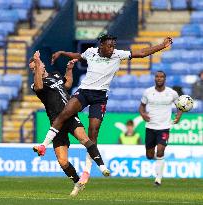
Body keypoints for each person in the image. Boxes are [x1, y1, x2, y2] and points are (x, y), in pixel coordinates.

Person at [34, 34, 173, 184]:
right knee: (64, 114)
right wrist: (62, 53)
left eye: (114, 46)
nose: (112, 49)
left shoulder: (117, 55)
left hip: (99, 97)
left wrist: (162, 46)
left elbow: (142, 53)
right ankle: (43, 145)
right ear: (102, 46)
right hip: (84, 92)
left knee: (93, 133)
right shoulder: (91, 52)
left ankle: (87, 170)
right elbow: (79, 56)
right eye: (110, 46)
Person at [29, 51, 110, 196]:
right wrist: (36, 62)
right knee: (63, 161)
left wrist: (69, 69)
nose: (35, 69)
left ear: (43, 65)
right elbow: (39, 87)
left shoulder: (55, 75)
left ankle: (101, 166)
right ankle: (78, 183)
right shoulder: (36, 84)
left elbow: (67, 84)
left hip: (70, 116)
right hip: (56, 123)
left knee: (85, 139)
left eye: (35, 66)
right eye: (33, 68)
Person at [139, 71, 182, 186]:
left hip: (164, 127)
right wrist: (143, 115)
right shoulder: (148, 92)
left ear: (165, 79)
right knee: (149, 155)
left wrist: (178, 117)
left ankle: (158, 179)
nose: (159, 78)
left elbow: (180, 107)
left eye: (161, 77)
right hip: (150, 127)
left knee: (160, 150)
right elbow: (141, 107)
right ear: (154, 79)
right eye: (157, 77)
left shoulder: (172, 93)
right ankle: (160, 161)